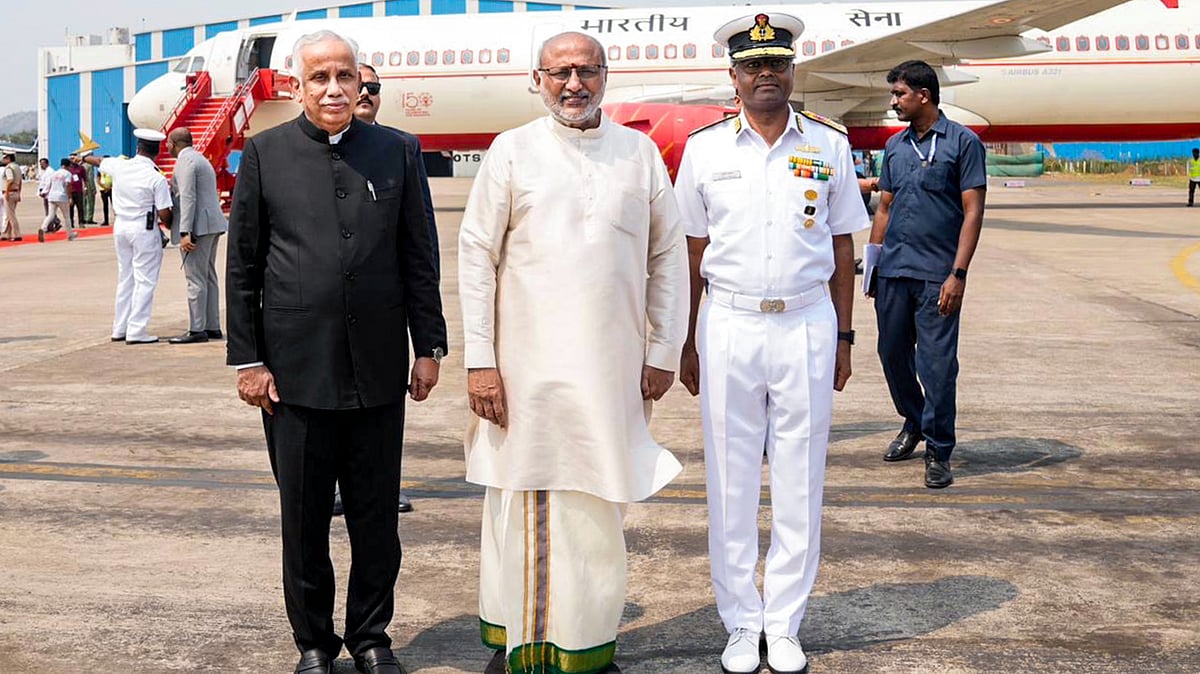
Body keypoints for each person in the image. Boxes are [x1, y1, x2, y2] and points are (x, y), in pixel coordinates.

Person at [458, 30, 689, 674]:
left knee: (596, 509)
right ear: (538, 79)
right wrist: (480, 359)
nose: (573, 85)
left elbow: (667, 257)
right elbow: (477, 256)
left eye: (586, 71)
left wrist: (664, 349)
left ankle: (587, 647)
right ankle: (521, 649)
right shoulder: (512, 152)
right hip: (522, 373)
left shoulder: (639, 155)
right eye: (559, 72)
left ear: (606, 77)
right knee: (524, 501)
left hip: (611, 369)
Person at [225, 30, 446, 674]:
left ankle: (372, 636)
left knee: (377, 517)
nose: (333, 89)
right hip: (292, 374)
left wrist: (428, 344)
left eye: (344, 77)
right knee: (304, 518)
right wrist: (249, 359)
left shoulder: (398, 152)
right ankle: (314, 644)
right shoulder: (265, 153)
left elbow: (418, 256)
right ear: (297, 86)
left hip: (378, 368)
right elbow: (243, 265)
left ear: (361, 84)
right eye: (318, 77)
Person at [673, 13, 869, 674]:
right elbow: (690, 250)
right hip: (726, 323)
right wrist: (686, 343)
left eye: (777, 65)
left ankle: (783, 624)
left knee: (799, 478)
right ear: (733, 77)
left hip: (808, 322)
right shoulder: (705, 150)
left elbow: (843, 245)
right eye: (753, 66)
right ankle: (740, 622)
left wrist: (844, 335)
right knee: (729, 480)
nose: (766, 75)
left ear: (791, 72)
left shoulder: (829, 145)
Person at [867, 59, 987, 489]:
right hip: (894, 272)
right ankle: (914, 421)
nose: (893, 102)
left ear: (924, 95)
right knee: (891, 355)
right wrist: (873, 265)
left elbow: (973, 211)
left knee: (936, 367)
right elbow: (884, 206)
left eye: (899, 94)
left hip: (938, 274)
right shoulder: (896, 147)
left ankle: (938, 450)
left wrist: (959, 273)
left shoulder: (963, 143)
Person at [325, 61, 437, 515]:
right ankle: (331, 486)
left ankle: (384, 487)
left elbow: (420, 246)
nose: (365, 93)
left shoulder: (401, 150)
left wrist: (429, 343)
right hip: (323, 321)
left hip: (379, 321)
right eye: (360, 85)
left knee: (379, 422)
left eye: (372, 87)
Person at [82, 131, 174, 343]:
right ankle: (137, 330)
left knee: (125, 278)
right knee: (145, 280)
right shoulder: (155, 177)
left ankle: (119, 328)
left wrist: (84, 157)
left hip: (121, 227)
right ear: (157, 152)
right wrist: (172, 224)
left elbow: (100, 161)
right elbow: (164, 212)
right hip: (143, 229)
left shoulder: (120, 166)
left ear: (137, 148)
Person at [166, 128, 228, 344]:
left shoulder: (185, 162)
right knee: (208, 276)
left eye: (168, 143)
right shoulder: (199, 158)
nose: (166, 147)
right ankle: (212, 326)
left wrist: (185, 232)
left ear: (173, 143)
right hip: (211, 224)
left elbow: (188, 197)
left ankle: (197, 329)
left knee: (195, 279)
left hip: (198, 227)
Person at [38, 159, 75, 243]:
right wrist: (70, 197)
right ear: (68, 166)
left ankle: (43, 228)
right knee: (66, 217)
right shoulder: (67, 174)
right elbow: (68, 185)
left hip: (51, 196)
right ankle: (70, 235)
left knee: (50, 215)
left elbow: (49, 184)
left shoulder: (54, 173)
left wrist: (44, 192)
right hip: (62, 196)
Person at [1, 153, 22, 241]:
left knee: (11, 215)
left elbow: (10, 180)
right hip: (16, 191)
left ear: (8, 158)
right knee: (10, 214)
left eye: (5, 158)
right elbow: (20, 181)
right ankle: (6, 234)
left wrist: (6, 191)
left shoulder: (9, 168)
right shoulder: (17, 167)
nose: (3, 160)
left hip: (10, 192)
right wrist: (19, 193)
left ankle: (17, 234)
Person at [66, 154, 87, 229]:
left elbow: (85, 179)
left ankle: (81, 222)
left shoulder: (81, 168)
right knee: (70, 208)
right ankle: (71, 223)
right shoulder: (67, 169)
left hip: (78, 191)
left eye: (74, 158)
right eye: (71, 158)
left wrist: (85, 187)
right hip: (70, 191)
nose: (73, 160)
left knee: (80, 207)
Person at [97, 156, 113, 225]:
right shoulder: (100, 169)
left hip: (112, 189)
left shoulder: (112, 169)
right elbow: (98, 179)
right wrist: (104, 187)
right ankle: (106, 220)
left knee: (115, 205)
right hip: (103, 189)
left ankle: (118, 219)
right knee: (105, 205)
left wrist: (110, 187)